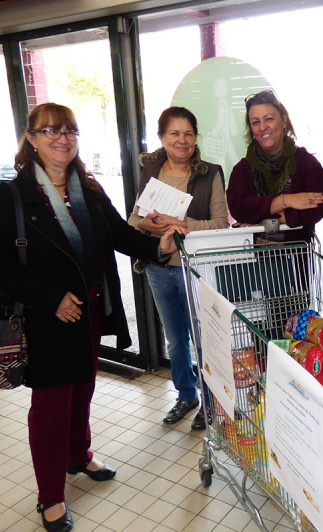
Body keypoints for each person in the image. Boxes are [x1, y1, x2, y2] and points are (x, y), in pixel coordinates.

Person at [0, 103, 185, 532]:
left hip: (90, 313)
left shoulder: (88, 191)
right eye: (50, 130)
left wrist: (159, 247)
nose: (62, 138)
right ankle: (50, 494)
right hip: (45, 319)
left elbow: (121, 235)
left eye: (70, 131)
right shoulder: (4, 199)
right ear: (31, 139)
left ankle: (78, 455)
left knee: (84, 389)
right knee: (51, 406)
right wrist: (51, 297)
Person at [128, 106, 229, 428]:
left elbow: (220, 224)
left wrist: (181, 224)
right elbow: (133, 219)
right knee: (174, 339)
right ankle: (187, 394)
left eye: (188, 133)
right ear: (162, 137)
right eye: (174, 133)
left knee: (203, 338)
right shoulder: (151, 173)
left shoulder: (209, 173)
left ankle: (211, 402)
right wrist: (149, 224)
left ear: (195, 138)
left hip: (194, 270)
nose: (182, 140)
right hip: (158, 267)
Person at [226, 90, 323, 242]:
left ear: (284, 120)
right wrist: (286, 200)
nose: (262, 127)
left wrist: (264, 220)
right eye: (256, 122)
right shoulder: (242, 169)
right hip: (254, 261)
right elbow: (238, 208)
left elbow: (317, 207)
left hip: (295, 258)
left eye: (269, 119)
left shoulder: (306, 163)